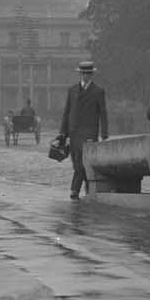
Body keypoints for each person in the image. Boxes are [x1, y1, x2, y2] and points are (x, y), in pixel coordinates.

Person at [59, 59, 109, 200]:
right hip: (74, 132)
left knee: (83, 162)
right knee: (77, 162)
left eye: (88, 74)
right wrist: (63, 132)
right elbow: (67, 111)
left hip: (89, 132)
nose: (86, 76)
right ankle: (88, 188)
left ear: (92, 75)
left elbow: (103, 113)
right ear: (80, 74)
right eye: (83, 74)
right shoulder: (72, 90)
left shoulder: (98, 91)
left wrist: (104, 133)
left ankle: (74, 190)